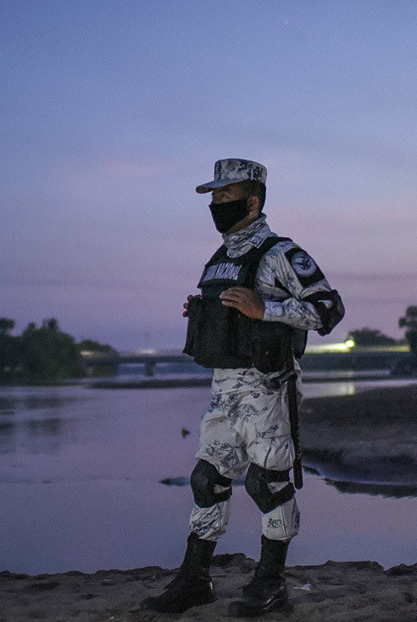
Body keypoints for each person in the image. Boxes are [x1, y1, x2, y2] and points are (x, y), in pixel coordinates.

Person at [142, 158, 344, 617]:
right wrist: (204, 315)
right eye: (213, 197)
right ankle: (195, 580)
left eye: (224, 196)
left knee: (268, 485)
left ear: (252, 201)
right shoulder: (219, 259)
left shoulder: (280, 253)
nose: (215, 204)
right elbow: (228, 313)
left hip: (268, 387)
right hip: (223, 389)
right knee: (206, 479)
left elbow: (329, 309)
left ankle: (271, 584)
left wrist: (265, 310)